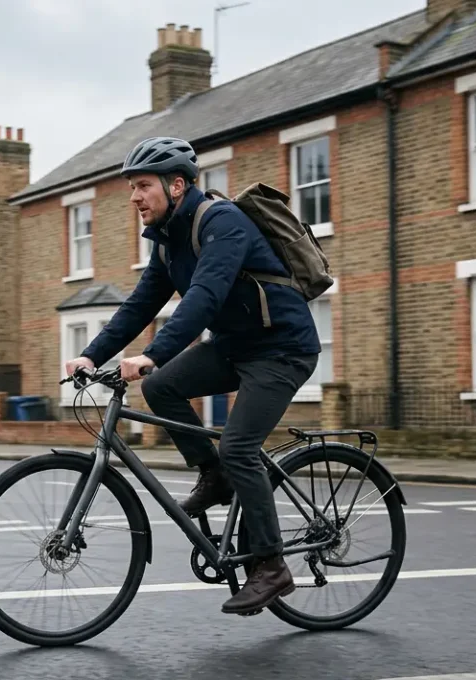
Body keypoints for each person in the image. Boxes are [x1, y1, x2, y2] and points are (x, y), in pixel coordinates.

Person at [63, 136, 321, 615]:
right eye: (132, 188)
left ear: (176, 185)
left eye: (143, 186)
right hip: (234, 347)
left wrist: (152, 354)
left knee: (240, 446)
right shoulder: (168, 243)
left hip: (282, 349)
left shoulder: (223, 222)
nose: (134, 197)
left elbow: (205, 295)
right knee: (162, 388)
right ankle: (214, 474)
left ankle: (270, 566)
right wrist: (89, 353)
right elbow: (140, 304)